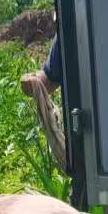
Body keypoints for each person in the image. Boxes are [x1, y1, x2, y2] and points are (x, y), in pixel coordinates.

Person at [20, 34, 69, 175]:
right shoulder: (68, 26)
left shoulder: (72, 20)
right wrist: (32, 82)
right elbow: (50, 79)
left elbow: (49, 80)